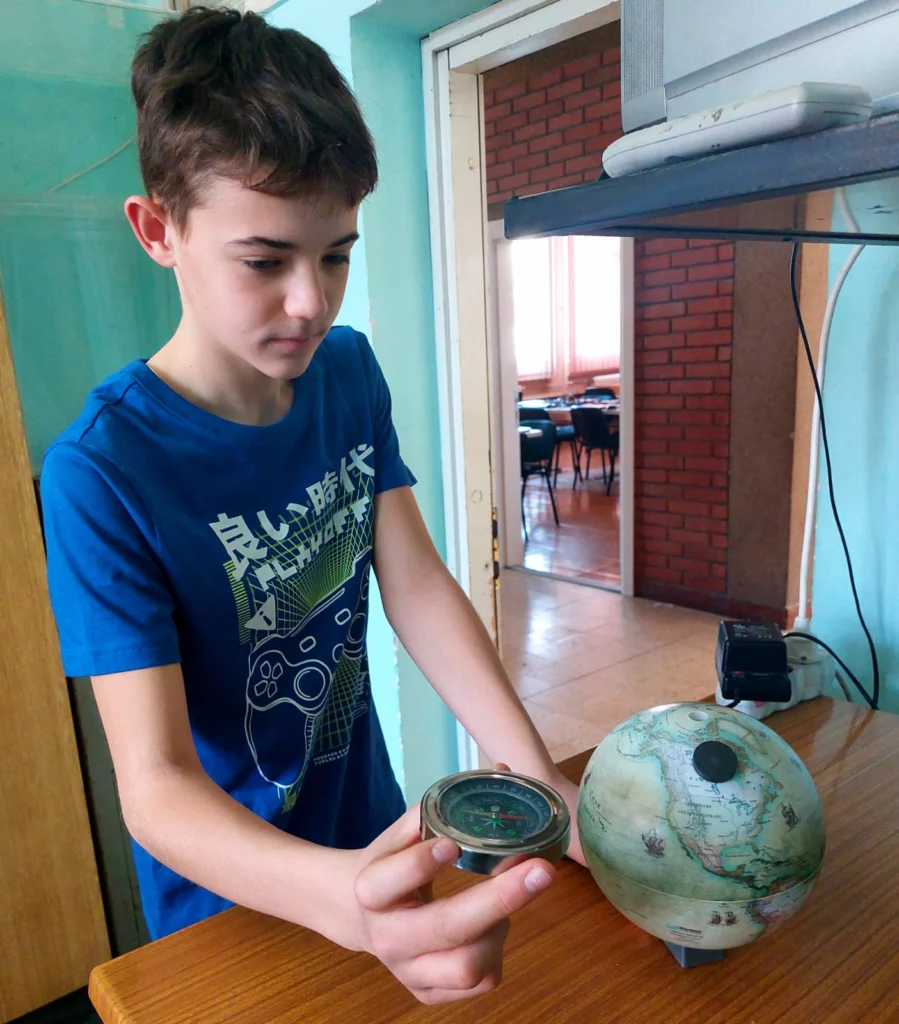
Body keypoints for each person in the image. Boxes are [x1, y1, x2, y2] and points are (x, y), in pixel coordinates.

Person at [40, 6, 584, 1006]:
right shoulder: (101, 470)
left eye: (335, 254)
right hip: (233, 900)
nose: (311, 302)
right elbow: (155, 786)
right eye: (264, 261)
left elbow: (414, 585)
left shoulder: (346, 373)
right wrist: (339, 901)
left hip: (372, 835)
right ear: (158, 230)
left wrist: (534, 771)